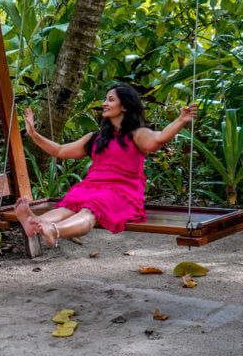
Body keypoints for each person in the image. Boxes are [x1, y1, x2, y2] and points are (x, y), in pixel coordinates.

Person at [15, 84, 197, 247]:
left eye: (111, 100)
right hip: (91, 187)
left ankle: (54, 230)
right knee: (68, 206)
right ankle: (36, 222)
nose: (104, 103)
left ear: (124, 106)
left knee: (90, 209)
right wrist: (33, 134)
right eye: (105, 99)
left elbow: (159, 139)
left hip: (122, 192)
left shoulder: (137, 135)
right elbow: (61, 151)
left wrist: (181, 119)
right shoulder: (96, 137)